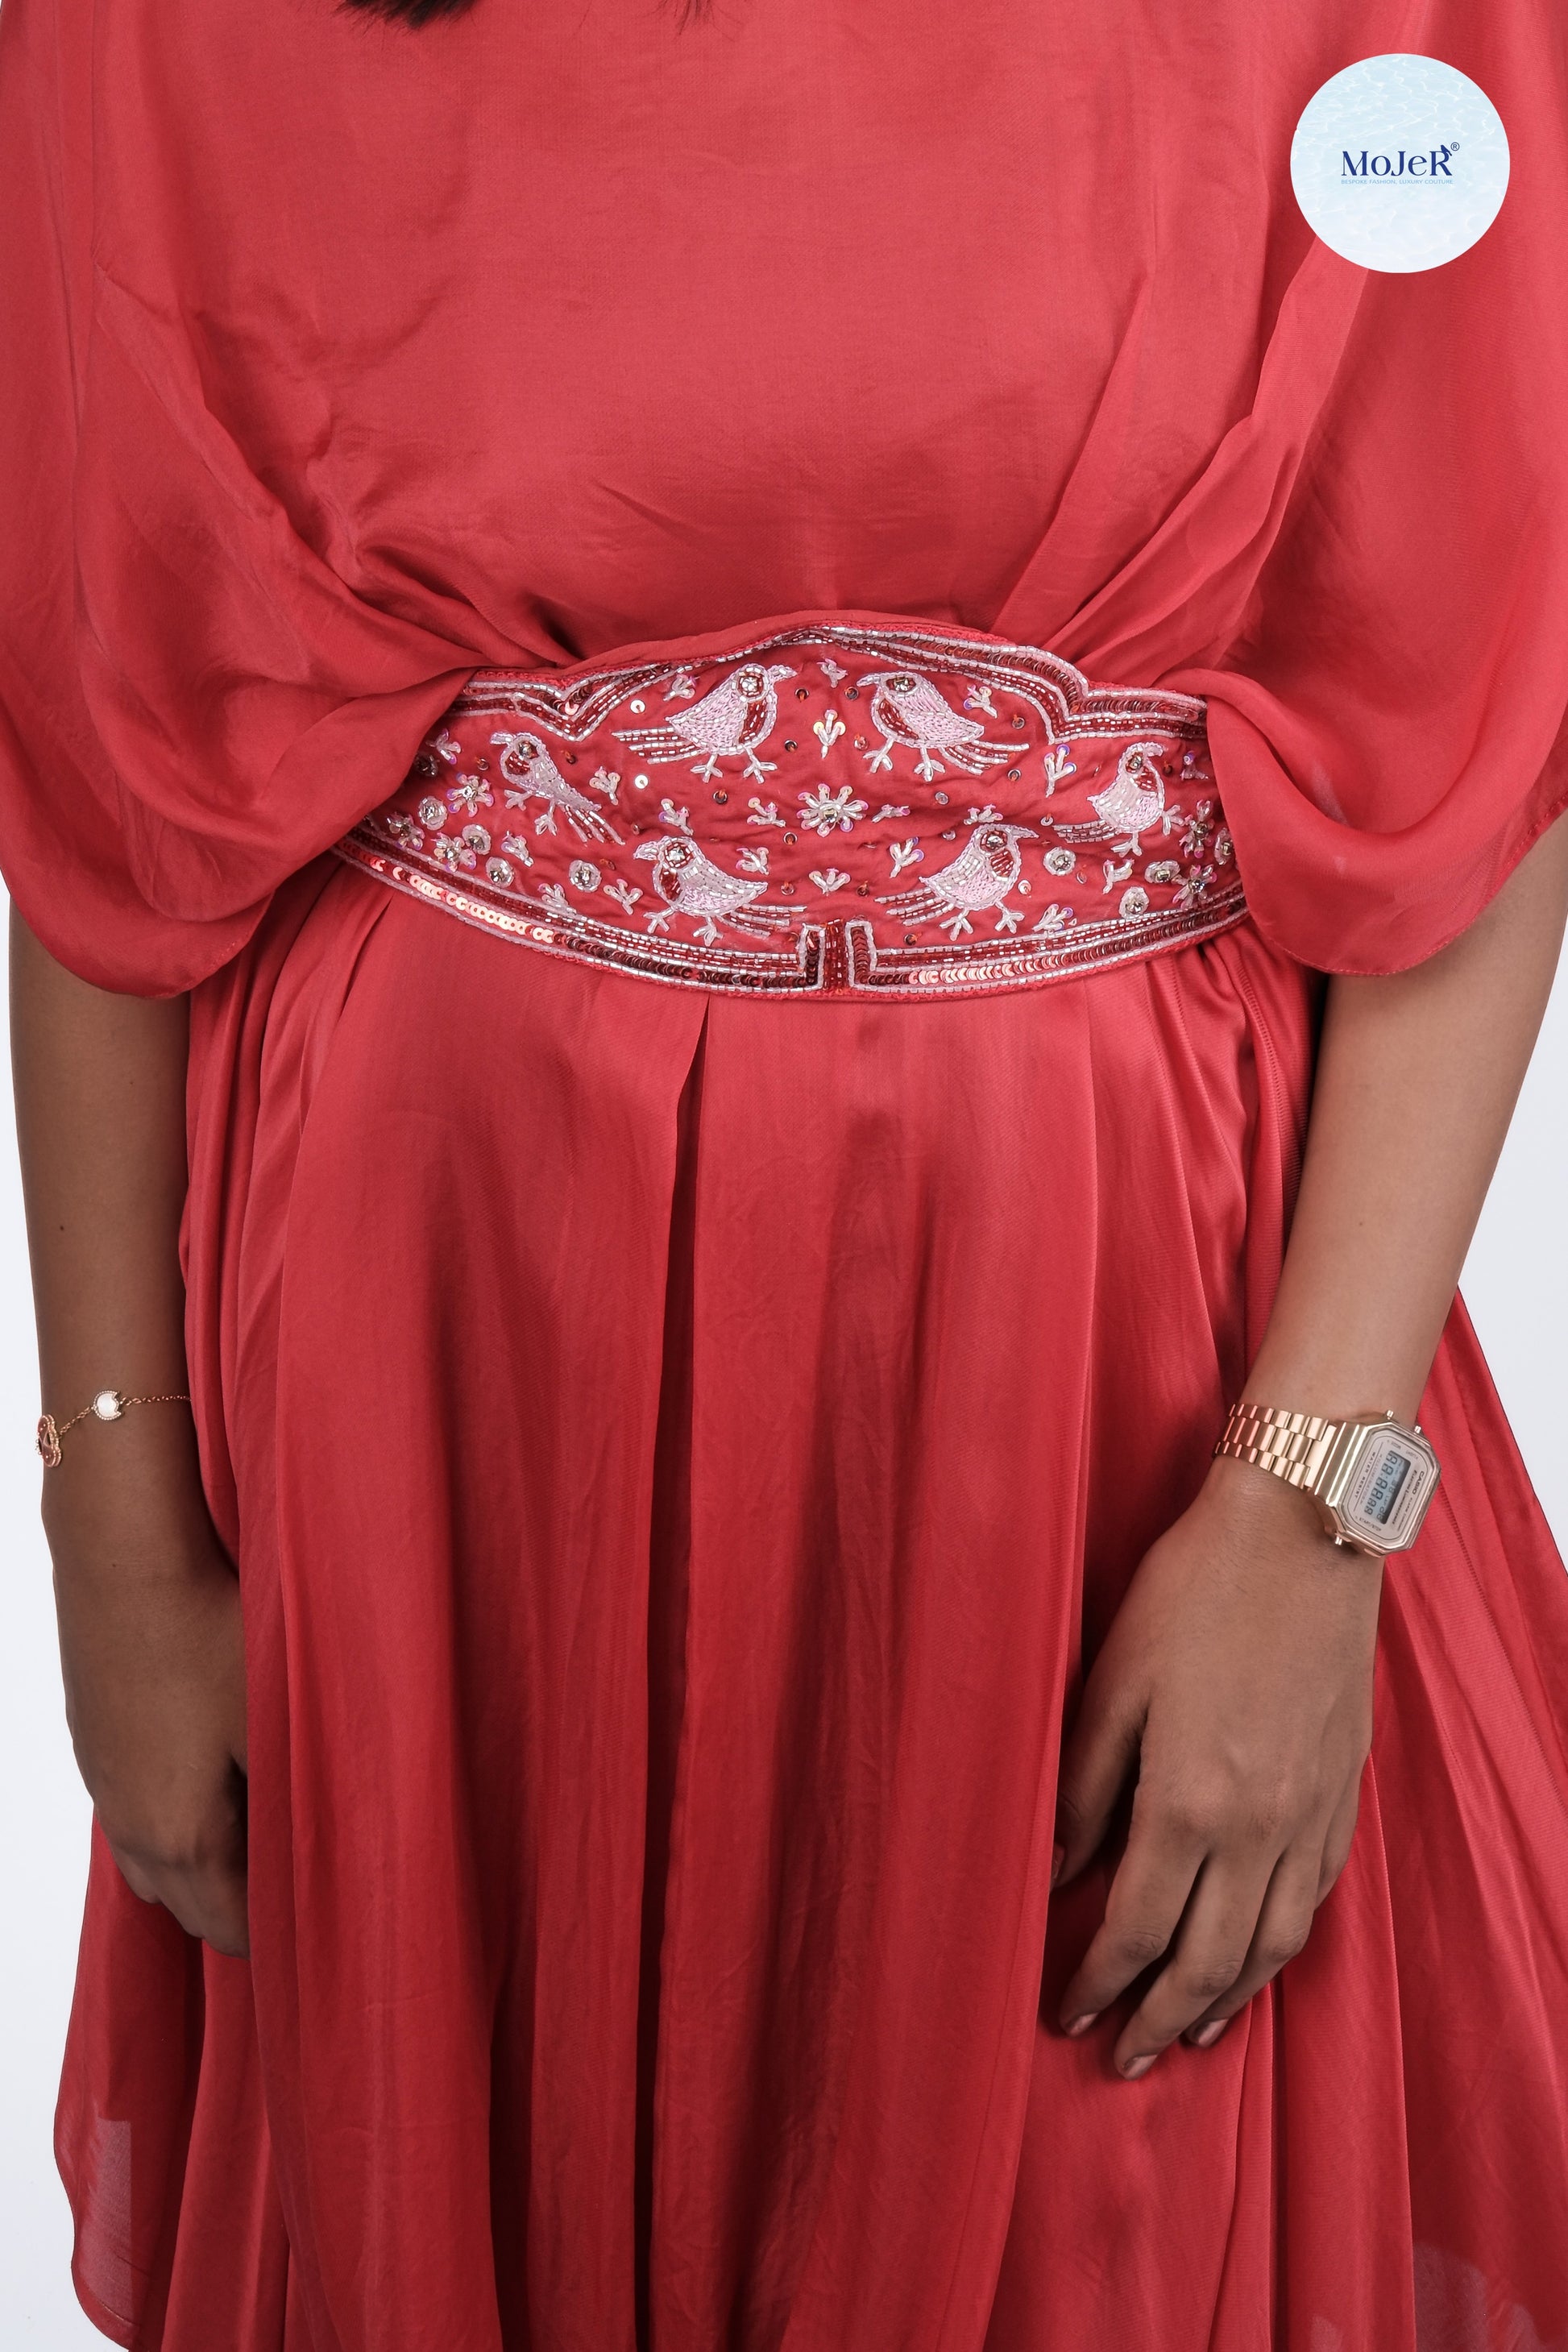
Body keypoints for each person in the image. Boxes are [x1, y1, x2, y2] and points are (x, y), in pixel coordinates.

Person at [3, 0, 1568, 2345]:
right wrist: (112, 1524)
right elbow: (100, 729)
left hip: (1135, 1407)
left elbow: (1490, 708)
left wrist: (1306, 1510)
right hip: (438, 1378)